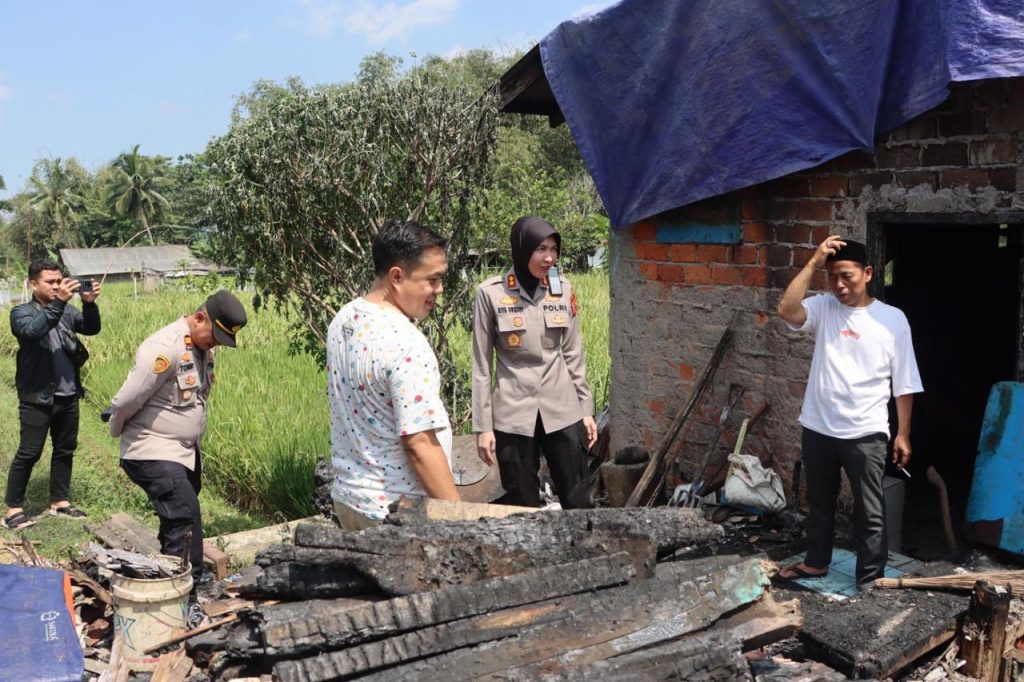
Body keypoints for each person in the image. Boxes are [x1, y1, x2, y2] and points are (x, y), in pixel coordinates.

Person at [776, 236, 923, 587]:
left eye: (847, 276)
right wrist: (813, 263)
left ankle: (870, 577)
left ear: (868, 273)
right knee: (819, 502)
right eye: (832, 277)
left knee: (870, 511)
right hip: (818, 426)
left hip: (866, 432)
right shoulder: (824, 308)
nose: (839, 286)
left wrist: (903, 433)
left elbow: (905, 381)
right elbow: (786, 309)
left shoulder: (892, 320)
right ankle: (816, 562)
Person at [108, 290, 247, 588]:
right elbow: (126, 400)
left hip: (184, 450)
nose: (215, 345)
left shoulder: (201, 347)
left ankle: (170, 572)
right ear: (199, 318)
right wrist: (117, 430)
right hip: (152, 448)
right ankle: (186, 591)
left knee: (180, 520)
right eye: (214, 337)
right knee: (184, 517)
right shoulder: (163, 347)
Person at [327, 219, 459, 531]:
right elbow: (419, 444)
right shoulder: (405, 342)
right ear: (397, 276)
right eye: (433, 280)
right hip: (397, 513)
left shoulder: (344, 319)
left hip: (349, 500)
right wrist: (458, 517)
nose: (439, 290)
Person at [472, 216, 597, 509]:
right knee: (521, 502)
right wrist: (483, 427)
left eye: (554, 249)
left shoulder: (562, 290)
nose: (549, 257)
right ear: (522, 247)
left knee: (577, 499)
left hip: (562, 410)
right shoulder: (490, 293)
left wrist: (586, 410)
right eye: (540, 248)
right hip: (513, 414)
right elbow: (480, 365)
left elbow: (573, 354)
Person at [5, 260, 102, 529]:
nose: (57, 286)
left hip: (68, 395)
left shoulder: (68, 311)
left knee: (65, 449)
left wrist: (89, 303)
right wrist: (59, 303)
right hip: (37, 396)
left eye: (59, 280)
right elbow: (32, 331)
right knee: (29, 452)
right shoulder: (21, 312)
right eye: (50, 282)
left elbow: (91, 328)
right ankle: (13, 508)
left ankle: (59, 501)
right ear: (33, 284)